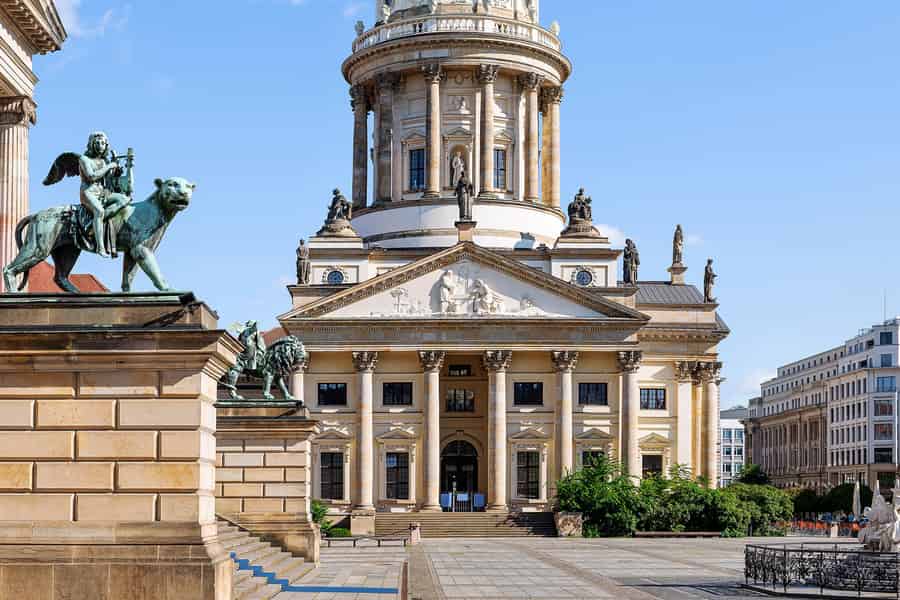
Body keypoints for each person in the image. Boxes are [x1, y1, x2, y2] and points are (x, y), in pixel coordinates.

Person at [79, 132, 130, 257]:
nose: (100, 145)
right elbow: (92, 176)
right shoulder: (84, 159)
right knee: (99, 211)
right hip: (88, 193)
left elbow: (109, 179)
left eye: (102, 143)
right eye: (97, 143)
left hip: (102, 193)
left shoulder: (103, 161)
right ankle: (100, 247)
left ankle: (94, 224)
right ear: (91, 144)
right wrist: (109, 166)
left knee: (124, 199)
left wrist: (117, 170)